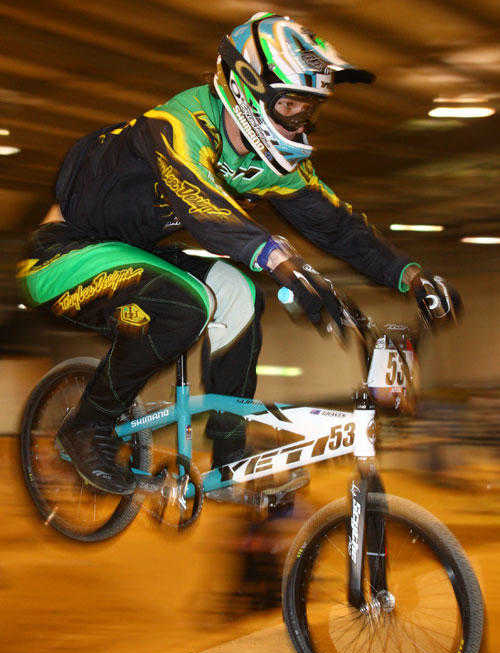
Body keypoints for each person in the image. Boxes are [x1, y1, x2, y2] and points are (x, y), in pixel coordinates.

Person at [17, 12, 459, 497]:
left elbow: (337, 225)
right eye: (289, 104)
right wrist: (282, 262)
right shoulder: (175, 126)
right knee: (185, 305)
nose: (301, 121)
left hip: (134, 254)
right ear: (245, 88)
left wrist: (409, 274)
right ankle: (87, 424)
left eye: (308, 109)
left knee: (240, 293)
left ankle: (229, 458)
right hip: (64, 255)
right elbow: (203, 206)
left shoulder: (261, 163)